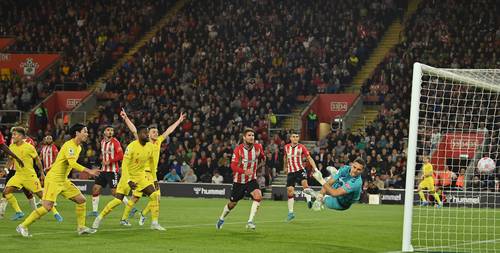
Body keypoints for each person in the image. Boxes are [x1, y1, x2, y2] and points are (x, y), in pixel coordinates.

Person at [16, 123, 101, 237]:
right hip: (54, 179)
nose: (87, 134)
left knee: (81, 200)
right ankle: (23, 226)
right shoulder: (69, 145)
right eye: (84, 131)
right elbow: (72, 163)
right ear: (77, 133)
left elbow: (63, 161)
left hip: (63, 180)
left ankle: (81, 227)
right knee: (47, 207)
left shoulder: (79, 147)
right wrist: (89, 171)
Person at [120, 108, 185, 226]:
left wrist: (179, 121)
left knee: (155, 198)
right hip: (142, 173)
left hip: (152, 174)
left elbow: (168, 131)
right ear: (148, 134)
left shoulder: (159, 141)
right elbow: (134, 130)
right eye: (154, 132)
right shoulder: (145, 142)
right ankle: (125, 219)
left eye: (157, 132)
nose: (157, 133)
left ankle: (144, 215)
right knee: (136, 197)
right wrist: (126, 118)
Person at [92, 126, 164, 231]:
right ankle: (99, 218)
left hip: (140, 176)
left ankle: (154, 223)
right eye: (145, 133)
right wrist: (128, 180)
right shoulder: (132, 146)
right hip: (127, 175)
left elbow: (153, 165)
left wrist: (155, 179)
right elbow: (124, 165)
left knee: (154, 196)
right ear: (139, 135)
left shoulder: (150, 147)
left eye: (147, 133)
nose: (147, 135)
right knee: (118, 200)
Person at [0, 127, 62, 221]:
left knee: (42, 196)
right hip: (18, 175)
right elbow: (10, 160)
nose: (12, 136)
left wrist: (41, 173)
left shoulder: (29, 147)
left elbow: (37, 160)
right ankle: (19, 212)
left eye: (14, 134)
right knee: (6, 192)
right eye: (12, 135)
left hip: (30, 176)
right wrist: (5, 170)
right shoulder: (12, 146)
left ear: (21, 136)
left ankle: (56, 213)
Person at [216, 128, 265, 230]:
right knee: (232, 204)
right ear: (244, 137)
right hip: (239, 181)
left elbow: (263, 157)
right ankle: (221, 218)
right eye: (249, 135)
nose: (252, 137)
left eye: (253, 135)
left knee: (258, 195)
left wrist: (259, 165)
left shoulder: (258, 147)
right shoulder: (238, 150)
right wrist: (244, 171)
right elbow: (233, 166)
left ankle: (250, 221)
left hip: (251, 179)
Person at [89, 125, 128, 217]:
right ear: (104, 132)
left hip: (112, 171)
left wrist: (109, 161)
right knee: (95, 189)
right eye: (108, 130)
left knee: (115, 192)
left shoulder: (115, 142)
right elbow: (105, 155)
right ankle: (95, 212)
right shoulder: (102, 142)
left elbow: (121, 155)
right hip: (103, 170)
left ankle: (130, 207)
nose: (110, 132)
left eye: (112, 130)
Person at [283, 131, 317, 221]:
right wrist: (285, 167)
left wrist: (315, 168)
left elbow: (309, 158)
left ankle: (309, 200)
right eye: (293, 136)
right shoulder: (286, 147)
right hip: (291, 172)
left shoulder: (302, 147)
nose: (295, 138)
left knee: (305, 185)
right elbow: (285, 157)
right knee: (290, 191)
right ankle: (291, 213)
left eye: (297, 136)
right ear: (290, 138)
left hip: (300, 170)